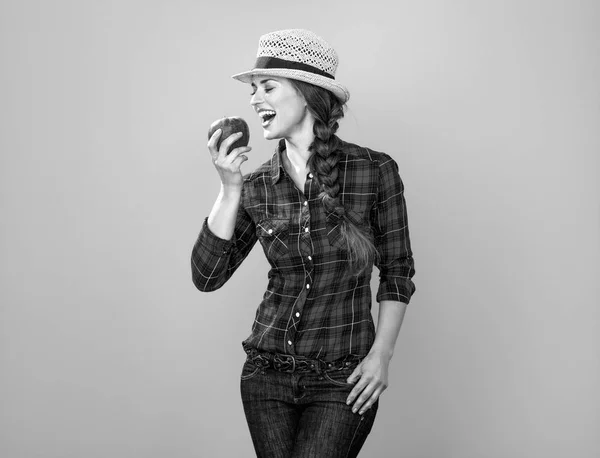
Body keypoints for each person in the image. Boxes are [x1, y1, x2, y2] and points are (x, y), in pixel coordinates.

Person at [191, 29, 416, 458]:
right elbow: (207, 276)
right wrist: (229, 188)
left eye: (268, 87)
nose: (255, 99)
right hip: (266, 377)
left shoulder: (375, 170)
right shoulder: (255, 185)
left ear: (308, 94)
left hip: (343, 378)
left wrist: (381, 355)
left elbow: (398, 272)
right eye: (253, 90)